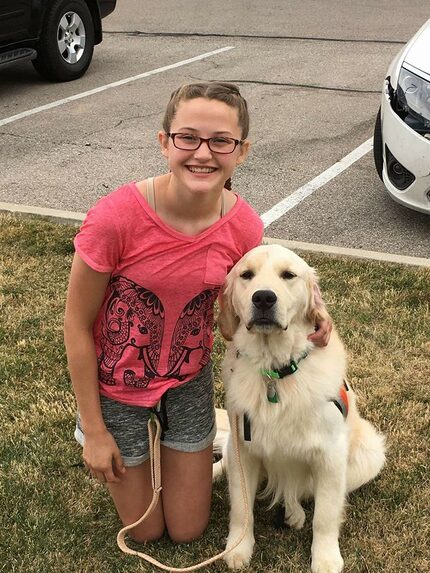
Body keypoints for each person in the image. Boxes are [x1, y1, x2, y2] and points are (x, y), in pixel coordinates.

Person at [64, 81, 332, 546]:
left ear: (241, 150)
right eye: (188, 137)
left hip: (188, 382)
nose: (203, 153)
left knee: (187, 531)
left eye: (220, 141)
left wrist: (314, 312)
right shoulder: (114, 218)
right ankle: (122, 437)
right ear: (164, 141)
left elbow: (254, 298)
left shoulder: (245, 226)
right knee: (146, 532)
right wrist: (94, 430)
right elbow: (76, 324)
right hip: (119, 390)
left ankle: (181, 441)